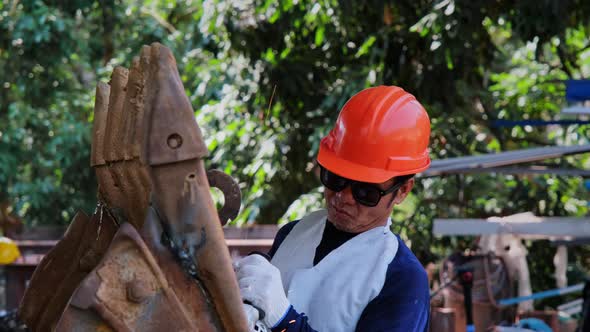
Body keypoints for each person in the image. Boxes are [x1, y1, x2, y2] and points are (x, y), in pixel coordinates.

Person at [234, 85, 431, 332]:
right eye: (335, 179)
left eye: (365, 192)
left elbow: (282, 321)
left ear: (402, 191)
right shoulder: (292, 235)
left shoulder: (402, 280)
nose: (343, 197)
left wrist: (285, 321)